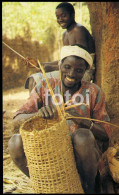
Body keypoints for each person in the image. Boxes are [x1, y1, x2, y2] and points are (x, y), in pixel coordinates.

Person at [8, 45, 112, 194]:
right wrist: (37, 114)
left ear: (85, 72)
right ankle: (46, 184)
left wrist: (86, 123)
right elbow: (17, 119)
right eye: (67, 67)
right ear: (59, 66)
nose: (71, 74)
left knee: (82, 136)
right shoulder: (44, 87)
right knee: (14, 142)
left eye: (79, 70)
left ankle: (87, 189)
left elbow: (106, 134)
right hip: (50, 157)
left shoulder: (93, 91)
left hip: (82, 157)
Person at [24, 2, 95, 93]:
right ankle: (35, 106)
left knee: (36, 80)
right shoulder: (65, 34)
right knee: (32, 79)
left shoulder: (78, 30)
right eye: (58, 17)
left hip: (81, 73)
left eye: (63, 16)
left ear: (72, 15)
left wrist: (49, 67)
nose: (60, 19)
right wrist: (39, 64)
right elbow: (65, 61)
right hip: (69, 70)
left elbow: (79, 64)